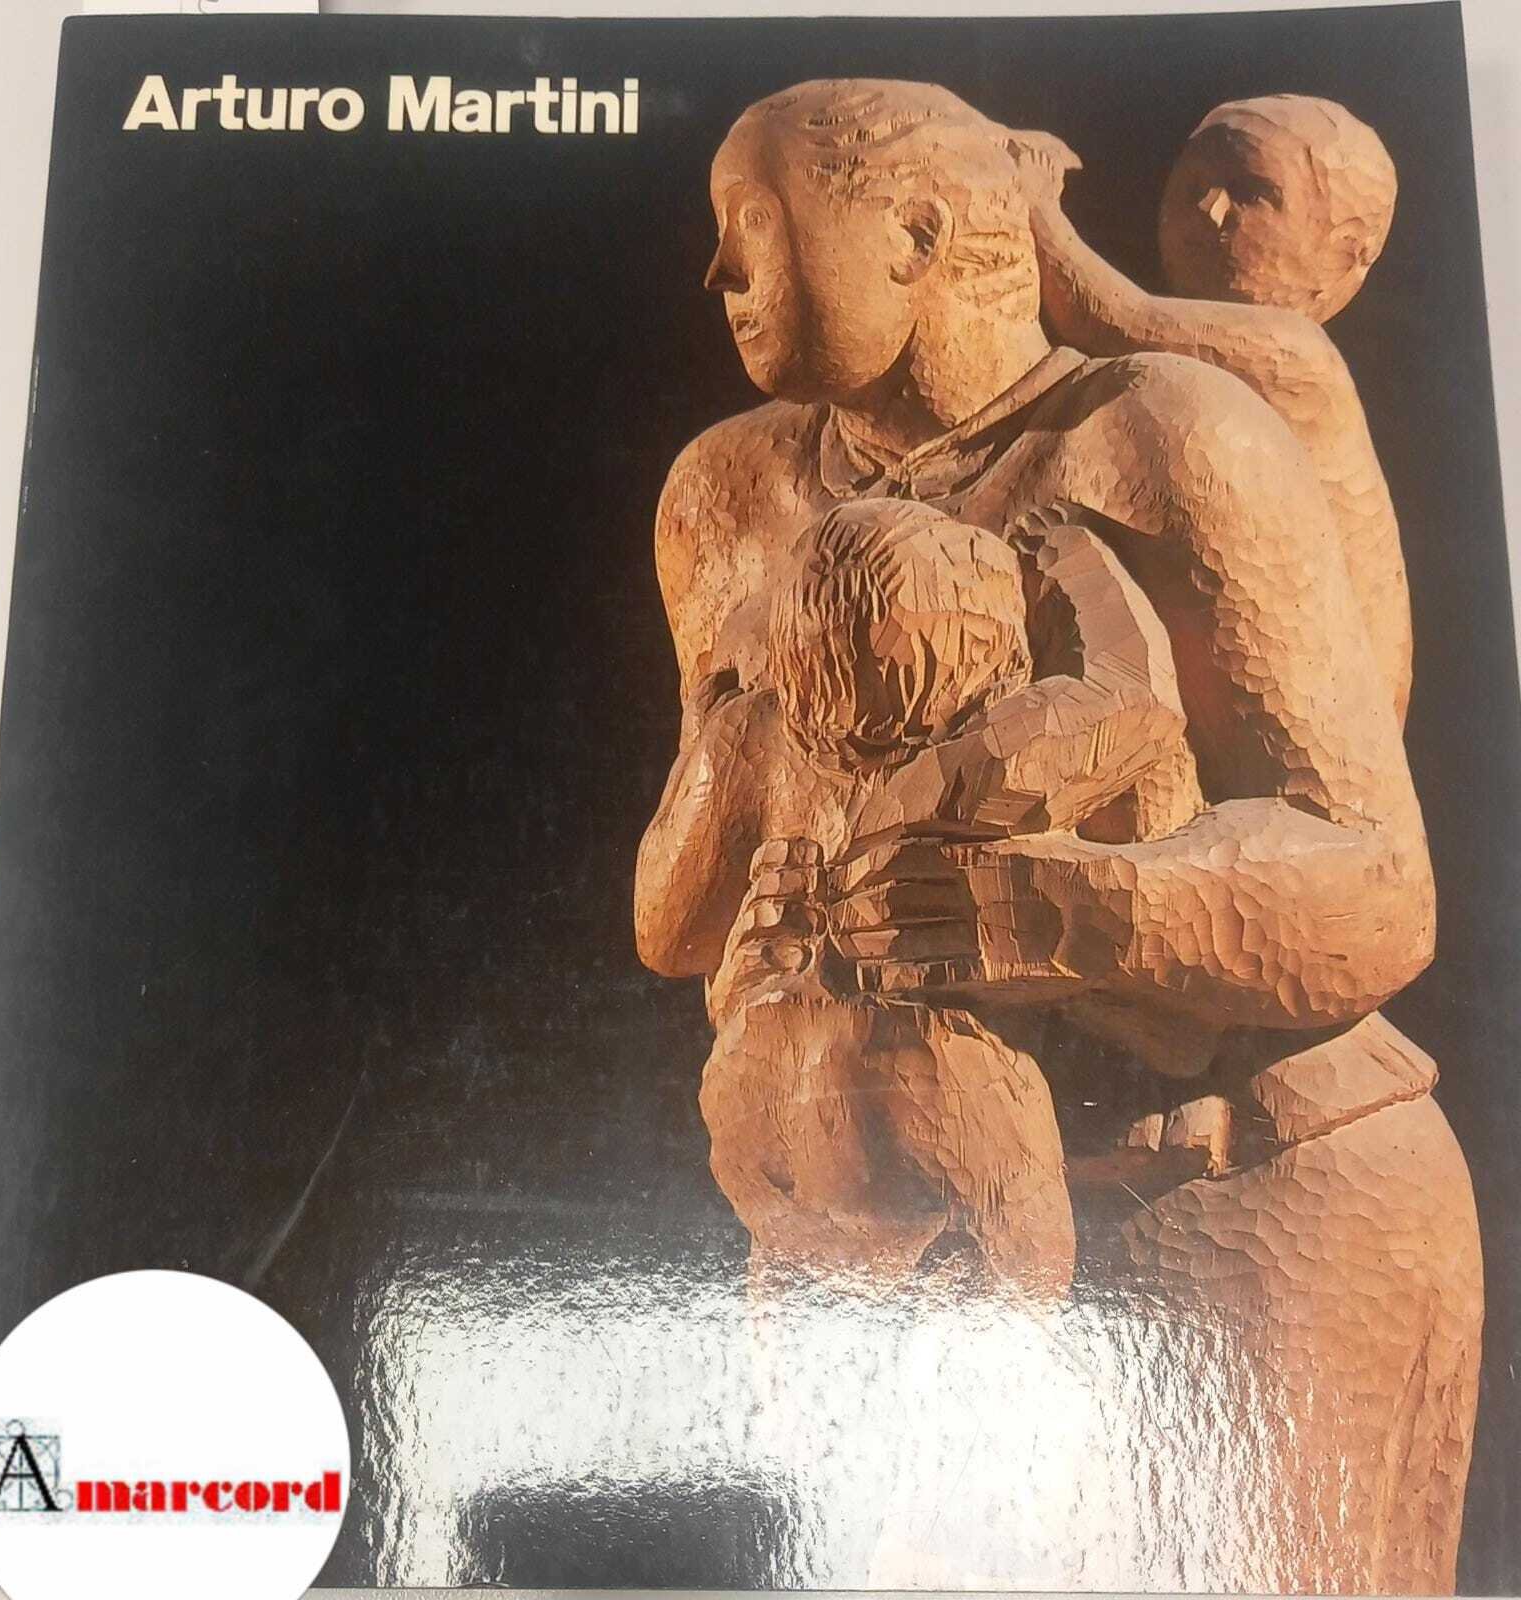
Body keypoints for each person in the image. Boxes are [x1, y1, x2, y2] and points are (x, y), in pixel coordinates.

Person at [640, 77, 1481, 1592]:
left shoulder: (1166, 435)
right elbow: (680, 912)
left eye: (755, 227)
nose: (720, 274)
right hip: (906, 1237)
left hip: (1233, 1192)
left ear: (915, 234)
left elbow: (1378, 889)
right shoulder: (727, 498)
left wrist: (1052, 913)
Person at [638, 494, 1202, 1294]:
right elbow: (1138, 697)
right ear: (993, 662)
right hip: (928, 1100)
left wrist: (698, 738)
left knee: (796, 1304)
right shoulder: (986, 761)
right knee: (1008, 1297)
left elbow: (663, 936)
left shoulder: (749, 738)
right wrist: (1078, 558)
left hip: (757, 1090)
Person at [1014, 95, 1412, 719]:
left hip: (1331, 702)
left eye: (1254, 193)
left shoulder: (1298, 355)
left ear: (1344, 252)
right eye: (1195, 184)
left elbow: (1113, 317)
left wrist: (1034, 201)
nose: (1209, 208)